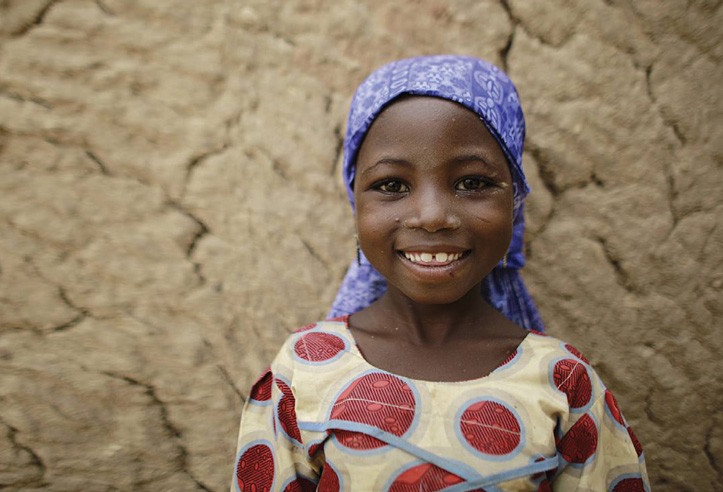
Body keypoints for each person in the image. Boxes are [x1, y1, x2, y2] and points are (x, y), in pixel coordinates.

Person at [232, 55, 649, 491]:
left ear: (516, 199)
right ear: (356, 202)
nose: (432, 216)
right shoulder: (301, 373)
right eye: (392, 185)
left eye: (472, 183)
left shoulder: (565, 383)